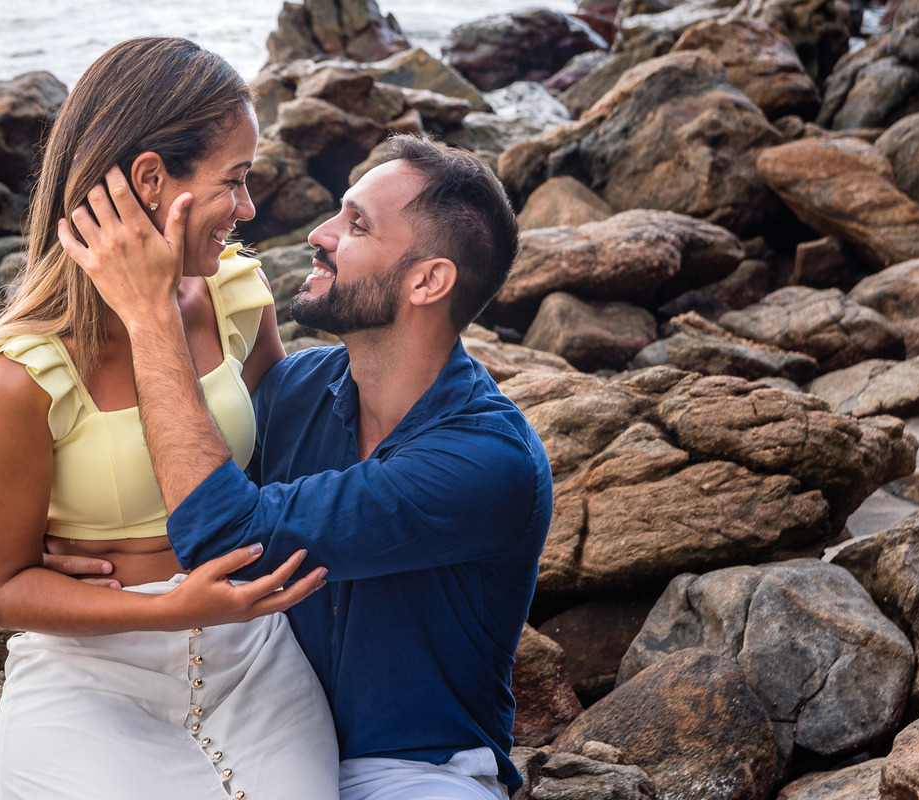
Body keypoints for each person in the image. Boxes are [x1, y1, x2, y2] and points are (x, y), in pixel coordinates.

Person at [60, 133, 554, 799]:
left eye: (356, 224)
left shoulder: (486, 461)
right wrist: (77, 550)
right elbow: (183, 482)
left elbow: (223, 534)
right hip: (252, 739)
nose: (319, 234)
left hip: (412, 770)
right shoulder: (298, 392)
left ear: (429, 280)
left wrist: (150, 318)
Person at [0, 37, 339, 800]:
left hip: (252, 659)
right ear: (153, 180)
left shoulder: (233, 296)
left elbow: (284, 462)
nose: (250, 208)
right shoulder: (21, 377)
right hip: (91, 676)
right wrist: (162, 606)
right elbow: (0, 591)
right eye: (236, 180)